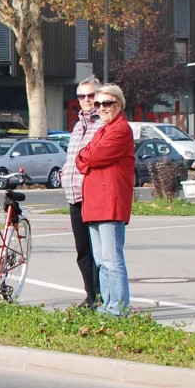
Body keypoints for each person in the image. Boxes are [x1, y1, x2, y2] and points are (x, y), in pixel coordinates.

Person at [76, 84, 135, 317]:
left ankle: (118, 307)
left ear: (118, 105)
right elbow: (83, 157)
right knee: (100, 260)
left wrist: (87, 157)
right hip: (95, 204)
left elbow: (94, 155)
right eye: (98, 104)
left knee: (112, 259)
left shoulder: (120, 130)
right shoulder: (102, 130)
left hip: (110, 202)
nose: (101, 108)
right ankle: (107, 303)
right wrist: (86, 157)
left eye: (106, 103)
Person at [60, 77, 104, 308]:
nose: (86, 100)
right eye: (81, 96)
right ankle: (90, 296)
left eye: (91, 95)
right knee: (82, 250)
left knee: (98, 250)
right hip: (73, 196)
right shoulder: (78, 126)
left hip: (92, 196)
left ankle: (100, 295)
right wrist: (64, 173)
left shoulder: (102, 124)